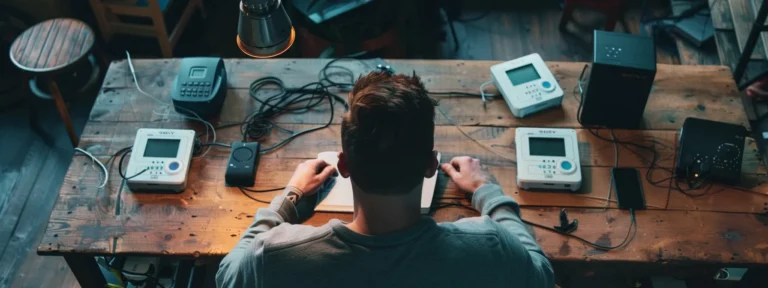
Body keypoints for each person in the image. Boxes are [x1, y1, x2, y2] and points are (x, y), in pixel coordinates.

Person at [216, 71, 554, 288]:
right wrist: (485, 190)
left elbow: (226, 276)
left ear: (343, 165)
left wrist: (289, 198)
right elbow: (540, 273)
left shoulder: (273, 256)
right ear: (431, 165)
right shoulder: (488, 245)